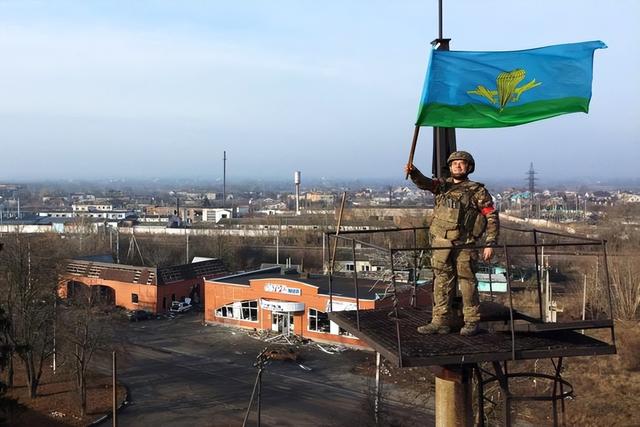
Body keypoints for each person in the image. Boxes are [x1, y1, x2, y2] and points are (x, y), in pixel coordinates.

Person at [405, 151, 499, 336]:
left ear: (469, 167)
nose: (457, 166)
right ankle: (440, 322)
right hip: (441, 243)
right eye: (454, 163)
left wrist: (490, 243)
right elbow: (425, 183)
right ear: (450, 167)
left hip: (465, 244)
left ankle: (471, 322)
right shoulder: (442, 186)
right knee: (441, 283)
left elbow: (491, 216)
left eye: (462, 163)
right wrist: (414, 172)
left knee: (467, 284)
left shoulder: (477, 191)